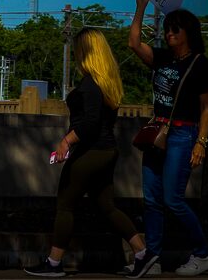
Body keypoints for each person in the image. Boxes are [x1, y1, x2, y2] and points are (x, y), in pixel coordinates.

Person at [23, 28, 149, 278]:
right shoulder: (106, 82)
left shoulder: (91, 84)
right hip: (107, 150)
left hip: (91, 152)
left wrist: (66, 142)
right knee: (107, 206)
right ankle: (143, 254)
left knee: (65, 205)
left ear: (85, 51)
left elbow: (89, 123)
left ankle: (54, 263)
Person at [128, 0, 208, 277]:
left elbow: (207, 108)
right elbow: (133, 43)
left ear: (188, 32)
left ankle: (203, 254)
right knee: (152, 199)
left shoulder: (201, 65)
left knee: (173, 200)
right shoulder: (162, 58)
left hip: (182, 134)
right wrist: (140, 7)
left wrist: (201, 143)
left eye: (174, 29)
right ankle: (152, 258)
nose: (168, 34)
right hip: (157, 133)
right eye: (166, 29)